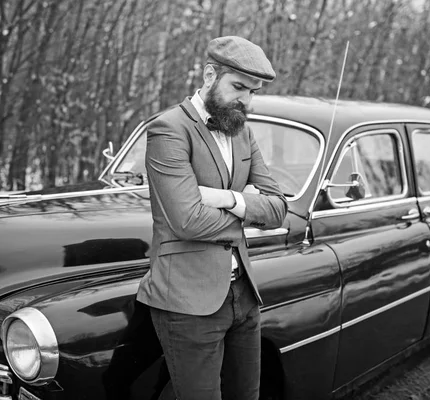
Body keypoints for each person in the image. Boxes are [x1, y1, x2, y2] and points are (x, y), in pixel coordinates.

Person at [136, 36, 288, 400]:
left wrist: (226, 199)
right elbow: (187, 220)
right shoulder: (168, 128)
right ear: (209, 75)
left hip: (244, 296)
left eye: (253, 91)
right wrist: (249, 209)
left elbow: (279, 207)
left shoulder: (242, 131)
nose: (246, 100)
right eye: (239, 87)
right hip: (188, 303)